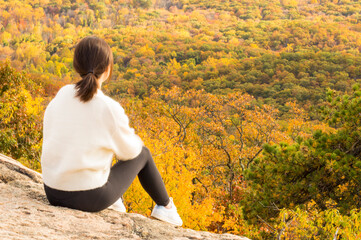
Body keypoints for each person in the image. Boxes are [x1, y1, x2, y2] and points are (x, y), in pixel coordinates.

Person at [41, 36, 182, 226]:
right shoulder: (108, 107)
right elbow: (131, 152)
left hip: (52, 191)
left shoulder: (62, 94)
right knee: (143, 153)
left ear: (77, 65)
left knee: (100, 145)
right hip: (87, 198)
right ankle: (165, 208)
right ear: (107, 70)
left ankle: (115, 201)